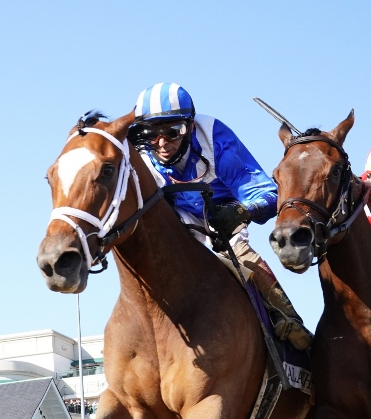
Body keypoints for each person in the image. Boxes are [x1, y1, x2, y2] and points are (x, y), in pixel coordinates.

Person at [130, 82, 310, 350]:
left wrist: (242, 211)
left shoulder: (214, 137)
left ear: (190, 127)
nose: (162, 143)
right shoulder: (139, 153)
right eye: (151, 134)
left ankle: (290, 321)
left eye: (173, 131)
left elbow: (271, 195)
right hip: (179, 215)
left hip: (223, 209)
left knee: (237, 251)